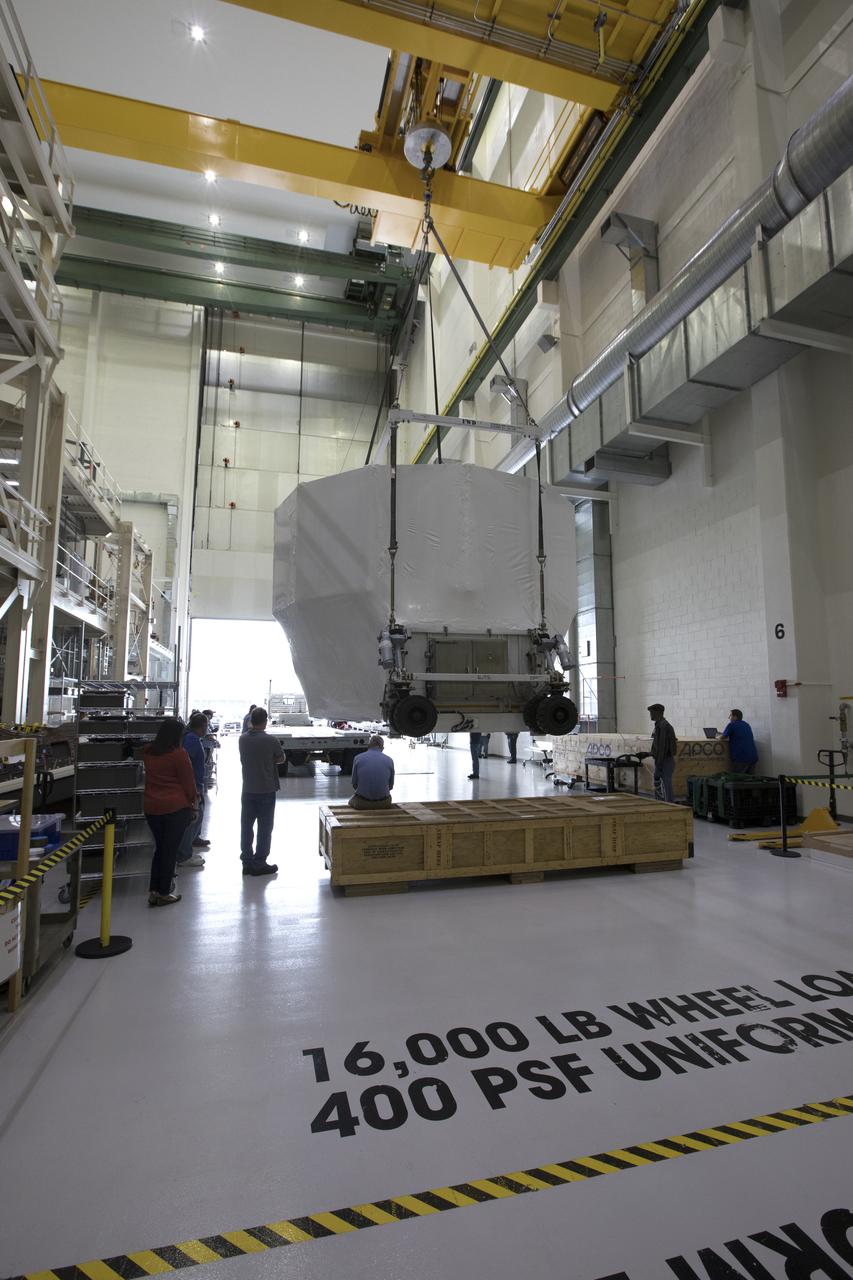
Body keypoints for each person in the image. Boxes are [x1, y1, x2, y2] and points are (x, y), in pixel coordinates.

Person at [143, 718, 197, 907]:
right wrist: (194, 803)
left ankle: (154, 891)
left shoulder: (148, 752)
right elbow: (188, 783)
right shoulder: (179, 755)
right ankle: (164, 892)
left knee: (160, 849)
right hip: (175, 808)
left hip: (152, 807)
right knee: (170, 851)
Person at [238, 706, 284, 876]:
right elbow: (281, 758)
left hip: (248, 789)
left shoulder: (242, 739)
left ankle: (247, 862)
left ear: (251, 721)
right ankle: (260, 862)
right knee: (265, 828)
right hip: (266, 789)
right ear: (265, 722)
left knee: (246, 827)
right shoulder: (271, 740)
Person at [176, 712, 208, 868]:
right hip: (193, 786)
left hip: (195, 784)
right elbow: (186, 765)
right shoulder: (192, 740)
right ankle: (184, 855)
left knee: (196, 818)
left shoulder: (190, 737)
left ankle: (185, 850)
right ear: (202, 727)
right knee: (193, 819)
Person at [348, 734, 395, 809]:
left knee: (350, 801)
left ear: (369, 745)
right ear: (382, 748)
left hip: (362, 803)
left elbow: (354, 784)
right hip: (384, 804)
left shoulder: (358, 758)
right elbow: (390, 786)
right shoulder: (390, 760)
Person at [648, 703, 677, 803]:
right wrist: (650, 753)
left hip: (665, 760)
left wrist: (659, 763)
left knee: (666, 783)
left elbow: (662, 747)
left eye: (652, 713)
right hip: (662, 759)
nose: (650, 715)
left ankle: (669, 804)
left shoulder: (663, 727)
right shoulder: (659, 726)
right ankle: (660, 802)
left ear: (658, 713)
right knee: (657, 779)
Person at [720, 709, 758, 774]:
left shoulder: (732, 725)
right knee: (751, 781)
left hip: (741, 758)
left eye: (730, 715)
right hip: (753, 757)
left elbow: (722, 737)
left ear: (735, 717)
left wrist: (718, 736)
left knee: (738, 781)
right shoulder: (746, 725)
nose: (729, 717)